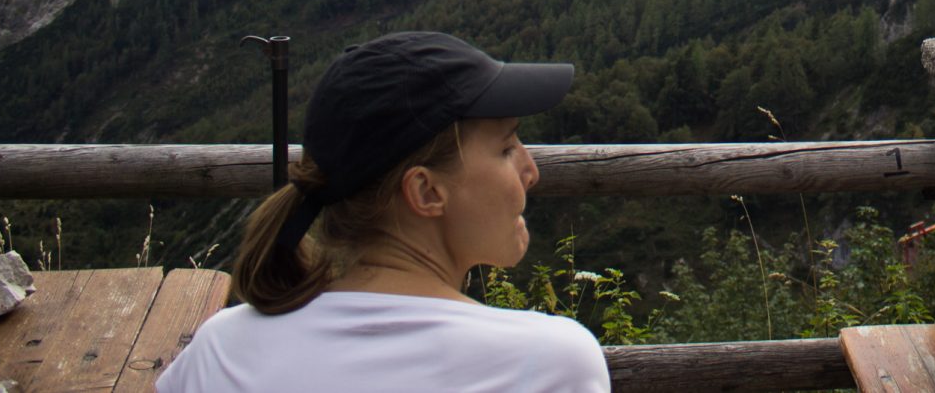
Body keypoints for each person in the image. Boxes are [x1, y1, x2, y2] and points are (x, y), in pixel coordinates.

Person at [158, 31, 610, 393]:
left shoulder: (220, 350)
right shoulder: (548, 363)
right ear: (426, 192)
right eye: (507, 147)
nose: (530, 171)